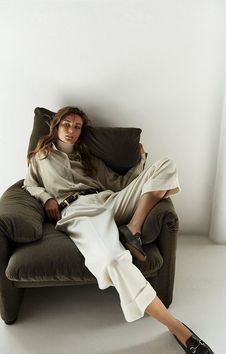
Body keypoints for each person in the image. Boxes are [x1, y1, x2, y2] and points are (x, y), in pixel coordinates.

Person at [23, 106, 214, 354]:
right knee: (113, 260)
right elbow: (29, 183)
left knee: (166, 165)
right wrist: (46, 197)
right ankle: (178, 328)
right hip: (79, 211)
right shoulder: (41, 156)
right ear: (56, 126)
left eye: (77, 126)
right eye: (66, 125)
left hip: (108, 200)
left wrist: (142, 161)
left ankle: (133, 227)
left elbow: (122, 184)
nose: (71, 130)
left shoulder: (88, 158)